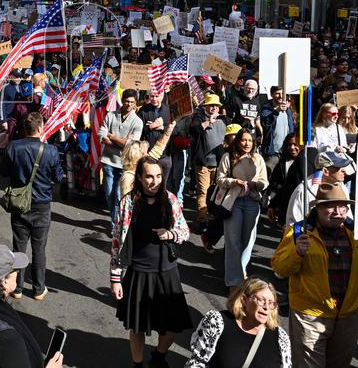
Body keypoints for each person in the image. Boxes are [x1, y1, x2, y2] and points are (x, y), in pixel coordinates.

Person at [271, 182, 358, 368]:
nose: (338, 212)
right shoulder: (299, 231)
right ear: (318, 208)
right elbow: (279, 268)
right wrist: (297, 253)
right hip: (311, 315)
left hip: (348, 314)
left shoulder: (356, 231)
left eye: (343, 206)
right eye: (331, 206)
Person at [111, 156, 191, 368]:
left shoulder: (170, 199)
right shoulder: (128, 202)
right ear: (139, 177)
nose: (154, 181)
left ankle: (158, 356)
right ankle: (137, 364)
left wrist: (171, 234)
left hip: (167, 271)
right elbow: (117, 241)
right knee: (137, 326)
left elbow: (185, 231)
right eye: (149, 176)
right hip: (139, 271)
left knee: (173, 325)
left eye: (158, 176)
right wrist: (115, 278)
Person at [0, 112, 65, 301]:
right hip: (41, 204)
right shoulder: (51, 150)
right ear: (41, 127)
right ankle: (38, 289)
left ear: (25, 128)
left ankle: (17, 287)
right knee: (39, 248)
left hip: (19, 203)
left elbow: (3, 171)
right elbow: (58, 177)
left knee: (19, 247)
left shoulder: (14, 147)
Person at [185, 278, 292, 367]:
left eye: (271, 303)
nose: (266, 307)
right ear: (244, 300)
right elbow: (197, 363)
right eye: (261, 300)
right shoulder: (217, 322)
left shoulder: (281, 337)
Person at [215, 128, 268, 294]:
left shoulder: (258, 158)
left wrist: (256, 184)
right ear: (238, 141)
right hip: (233, 202)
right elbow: (220, 179)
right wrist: (234, 182)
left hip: (252, 202)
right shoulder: (228, 157)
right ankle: (234, 282)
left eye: (250, 140)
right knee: (233, 241)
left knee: (248, 241)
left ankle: (241, 270)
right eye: (244, 140)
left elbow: (264, 181)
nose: (247, 143)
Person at [99, 89, 144, 223]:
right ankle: (116, 220)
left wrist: (111, 136)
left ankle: (116, 224)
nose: (129, 104)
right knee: (109, 194)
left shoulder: (137, 122)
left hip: (125, 164)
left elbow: (131, 144)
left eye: (132, 102)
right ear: (122, 101)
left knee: (119, 195)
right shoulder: (110, 115)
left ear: (135, 103)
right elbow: (101, 135)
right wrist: (122, 142)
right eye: (127, 101)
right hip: (108, 161)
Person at [286, 150, 354, 227]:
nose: (344, 170)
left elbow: (348, 219)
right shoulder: (303, 191)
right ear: (325, 171)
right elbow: (294, 224)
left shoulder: (342, 188)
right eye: (338, 167)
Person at [191, 94, 226, 227]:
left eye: (216, 105)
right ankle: (202, 219)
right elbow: (193, 129)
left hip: (218, 163)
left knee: (214, 191)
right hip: (203, 162)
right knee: (203, 191)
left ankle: (210, 215)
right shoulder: (199, 117)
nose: (214, 108)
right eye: (211, 105)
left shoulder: (223, 120)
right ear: (205, 106)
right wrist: (208, 122)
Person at [260, 86, 295, 173]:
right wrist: (276, 111)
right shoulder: (266, 109)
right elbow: (265, 123)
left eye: (282, 93)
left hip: (286, 152)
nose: (280, 96)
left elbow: (291, 129)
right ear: (271, 94)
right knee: (270, 175)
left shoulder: (288, 111)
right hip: (272, 153)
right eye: (277, 93)